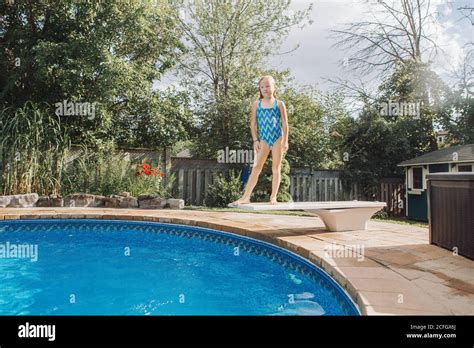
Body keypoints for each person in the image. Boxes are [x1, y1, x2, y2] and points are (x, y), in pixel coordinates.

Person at [230, 75, 289, 206]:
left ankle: (273, 197)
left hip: (277, 139)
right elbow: (253, 124)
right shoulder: (257, 104)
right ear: (260, 89)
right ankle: (246, 197)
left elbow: (285, 123)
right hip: (263, 140)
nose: (265, 89)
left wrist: (285, 141)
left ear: (274, 87)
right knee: (256, 167)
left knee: (276, 168)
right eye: (262, 87)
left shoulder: (279, 104)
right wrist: (255, 140)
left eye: (268, 86)